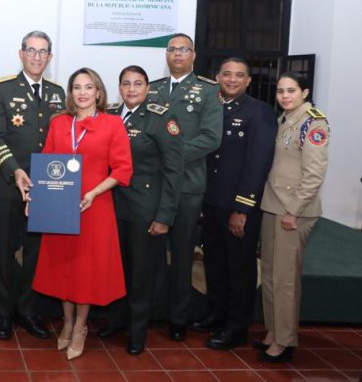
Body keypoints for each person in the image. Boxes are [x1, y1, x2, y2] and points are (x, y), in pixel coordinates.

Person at [32, 67, 132, 360]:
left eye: (89, 87)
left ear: (98, 92)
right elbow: (47, 163)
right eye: (77, 87)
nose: (83, 92)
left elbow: (123, 169)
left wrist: (93, 192)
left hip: (95, 206)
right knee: (65, 268)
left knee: (87, 271)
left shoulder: (113, 124)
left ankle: (80, 327)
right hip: (60, 207)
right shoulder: (59, 123)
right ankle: (66, 322)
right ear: (70, 93)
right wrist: (37, 196)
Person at [98, 65, 183, 355]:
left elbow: (174, 172)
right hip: (111, 206)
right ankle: (116, 320)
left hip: (144, 209)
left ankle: (137, 331)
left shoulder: (161, 119)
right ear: (119, 88)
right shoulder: (109, 115)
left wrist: (164, 216)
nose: (131, 89)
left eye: (137, 84)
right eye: (126, 84)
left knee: (141, 274)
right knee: (116, 267)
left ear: (148, 88)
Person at [0, 30, 65, 341]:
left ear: (50, 57)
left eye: (42, 51)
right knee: (5, 252)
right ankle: (3, 315)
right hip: (9, 183)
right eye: (31, 50)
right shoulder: (2, 88)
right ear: (21, 54)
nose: (36, 57)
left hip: (47, 187)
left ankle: (28, 311)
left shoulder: (59, 92)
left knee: (36, 253)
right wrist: (15, 171)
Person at [195, 58, 277, 350]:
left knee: (239, 268)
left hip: (238, 207)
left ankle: (237, 327)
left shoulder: (259, 112)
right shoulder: (212, 107)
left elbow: (257, 165)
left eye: (239, 75)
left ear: (248, 81)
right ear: (217, 77)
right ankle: (217, 314)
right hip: (212, 202)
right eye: (227, 74)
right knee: (215, 263)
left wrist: (242, 209)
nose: (232, 80)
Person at [147, 33, 223, 341]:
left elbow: (210, 137)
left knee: (180, 256)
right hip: (152, 186)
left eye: (184, 49)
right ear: (166, 55)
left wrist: (171, 155)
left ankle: (177, 318)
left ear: (193, 54)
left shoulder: (208, 90)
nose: (177, 54)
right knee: (150, 254)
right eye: (172, 49)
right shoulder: (151, 89)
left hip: (187, 187)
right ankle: (150, 310)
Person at [256, 72, 329, 363]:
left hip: (293, 212)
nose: (285, 96)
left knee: (286, 279)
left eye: (291, 91)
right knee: (272, 275)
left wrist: (293, 211)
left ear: (305, 92)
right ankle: (274, 331)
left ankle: (285, 341)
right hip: (273, 205)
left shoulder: (313, 123)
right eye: (280, 91)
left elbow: (314, 175)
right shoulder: (286, 119)